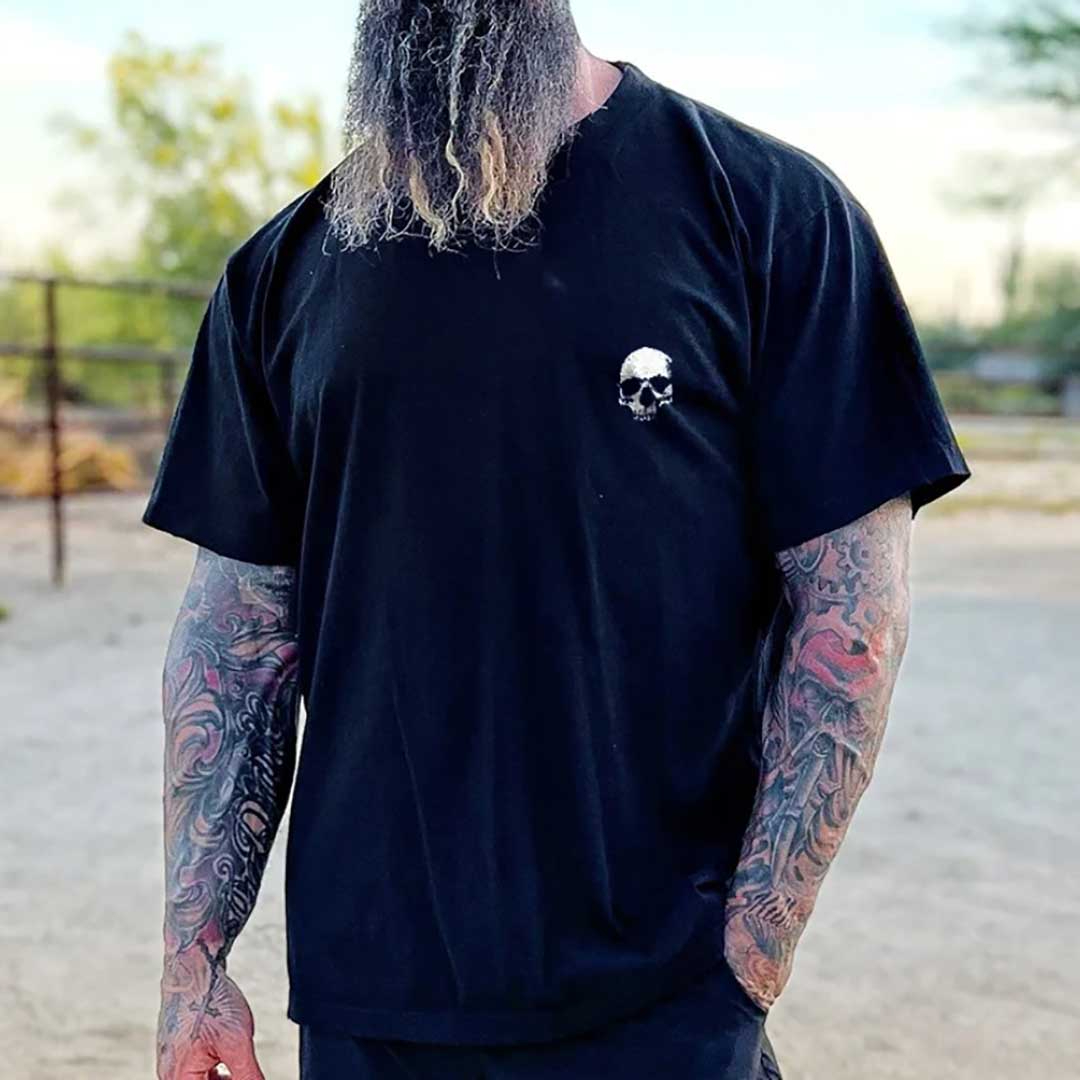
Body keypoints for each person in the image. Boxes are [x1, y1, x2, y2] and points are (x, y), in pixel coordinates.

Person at [143, 3, 971, 1077]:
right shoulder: (284, 269)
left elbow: (853, 618)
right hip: (369, 1002)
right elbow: (234, 645)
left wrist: (750, 957)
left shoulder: (767, 210)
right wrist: (194, 969)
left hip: (660, 997)